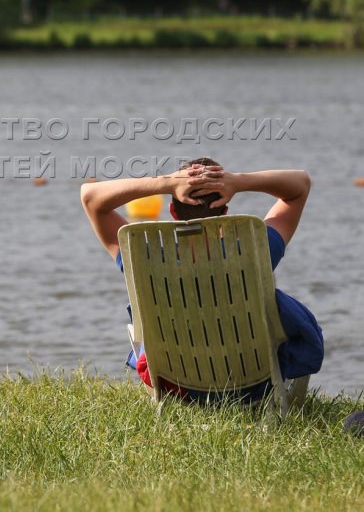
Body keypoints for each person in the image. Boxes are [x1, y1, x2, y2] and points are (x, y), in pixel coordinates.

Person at [80, 157, 324, 399]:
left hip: (177, 386)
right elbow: (299, 185)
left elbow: (90, 198)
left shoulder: (144, 259)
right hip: (254, 386)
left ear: (172, 210)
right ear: (225, 211)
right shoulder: (255, 251)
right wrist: (238, 181)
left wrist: (165, 183)